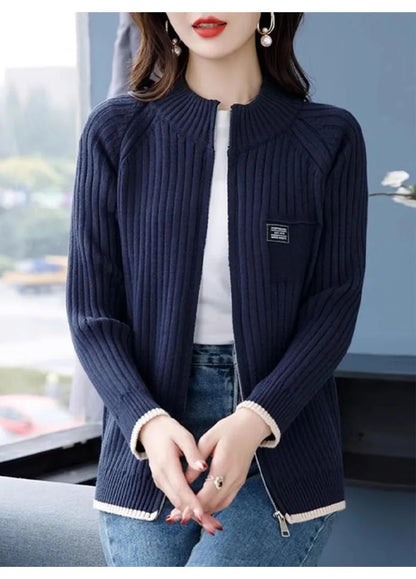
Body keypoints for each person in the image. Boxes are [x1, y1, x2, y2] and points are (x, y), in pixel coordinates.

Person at [66, 12, 369, 567]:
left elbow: (333, 308)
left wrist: (255, 421)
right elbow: (92, 315)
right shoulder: (114, 131)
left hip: (281, 439)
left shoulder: (329, 137)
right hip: (148, 442)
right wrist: (147, 423)